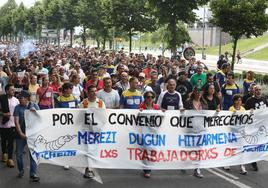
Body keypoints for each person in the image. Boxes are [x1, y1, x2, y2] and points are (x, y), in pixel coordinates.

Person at [80, 85, 106, 178]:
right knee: (87, 150)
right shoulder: (84, 103)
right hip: (87, 131)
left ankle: (91, 167)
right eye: (92, 91)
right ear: (88, 92)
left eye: (95, 91)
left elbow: (104, 116)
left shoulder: (101, 103)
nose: (94, 93)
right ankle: (88, 169)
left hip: (97, 131)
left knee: (95, 149)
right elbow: (80, 116)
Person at [14, 90, 40, 182]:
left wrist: (35, 112)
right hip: (20, 135)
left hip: (32, 135)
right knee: (18, 155)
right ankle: (21, 170)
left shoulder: (34, 106)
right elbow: (16, 122)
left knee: (33, 155)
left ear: (27, 98)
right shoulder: (17, 108)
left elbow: (41, 119)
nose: (20, 99)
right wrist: (21, 133)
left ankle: (33, 174)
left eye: (21, 98)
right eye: (19, 98)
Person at [139, 91, 160, 178]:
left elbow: (161, 117)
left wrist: (163, 112)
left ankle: (148, 167)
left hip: (153, 132)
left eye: (151, 97)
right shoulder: (141, 106)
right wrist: (139, 111)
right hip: (144, 132)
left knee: (152, 149)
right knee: (145, 149)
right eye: (148, 97)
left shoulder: (156, 107)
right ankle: (147, 169)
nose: (150, 98)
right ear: (145, 98)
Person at [184, 87, 204, 178]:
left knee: (199, 149)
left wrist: (216, 112)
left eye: (200, 92)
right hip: (190, 129)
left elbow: (208, 115)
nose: (198, 93)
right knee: (189, 148)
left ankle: (197, 169)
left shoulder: (204, 103)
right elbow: (183, 113)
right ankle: (184, 162)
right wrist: (182, 111)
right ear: (194, 92)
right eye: (197, 91)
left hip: (200, 129)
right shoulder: (188, 102)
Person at [0, 84, 19, 167]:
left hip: (12, 124)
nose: (13, 91)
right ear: (7, 91)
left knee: (11, 142)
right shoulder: (1, 99)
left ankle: (10, 159)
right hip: (2, 123)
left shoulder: (16, 100)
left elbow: (18, 112)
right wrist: (3, 114)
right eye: (11, 90)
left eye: (14, 89)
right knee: (3, 140)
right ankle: (4, 153)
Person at [228, 94, 247, 175]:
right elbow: (227, 119)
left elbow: (246, 118)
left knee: (241, 149)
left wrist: (252, 112)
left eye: (240, 100)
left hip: (241, 132)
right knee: (231, 148)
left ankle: (242, 166)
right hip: (233, 132)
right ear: (234, 101)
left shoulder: (243, 109)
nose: (239, 102)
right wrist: (233, 114)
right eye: (237, 100)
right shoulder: (231, 109)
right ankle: (227, 163)